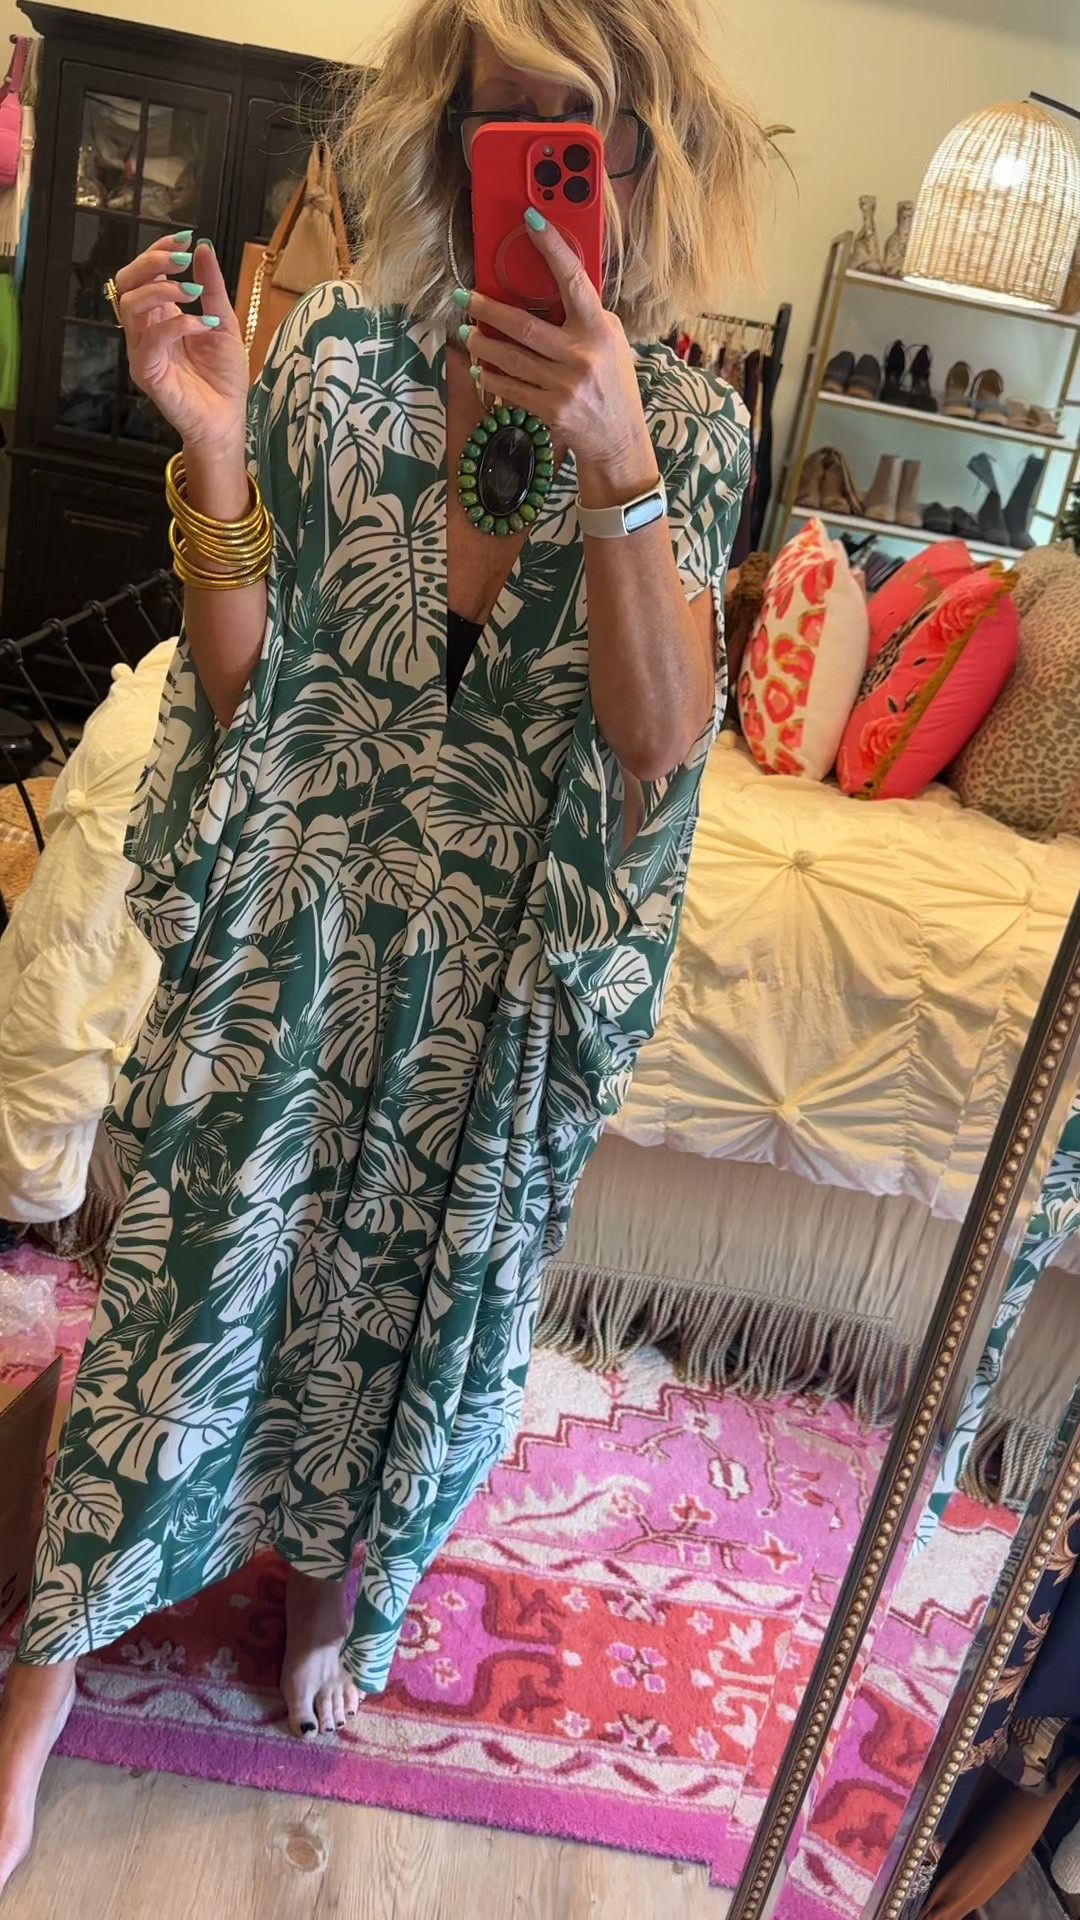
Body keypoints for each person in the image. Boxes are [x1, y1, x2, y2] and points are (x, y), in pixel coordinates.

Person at [0, 0, 763, 1889]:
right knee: (182, 1293)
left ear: (645, 161)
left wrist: (616, 459)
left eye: (579, 138)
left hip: (489, 983)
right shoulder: (338, 365)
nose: (543, 187)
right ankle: (48, 1671)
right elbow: (246, 689)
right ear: (446, 146)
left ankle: (328, 1583)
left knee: (406, 1312)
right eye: (502, 132)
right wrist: (214, 446)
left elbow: (658, 748)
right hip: (300, 922)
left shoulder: (692, 430)